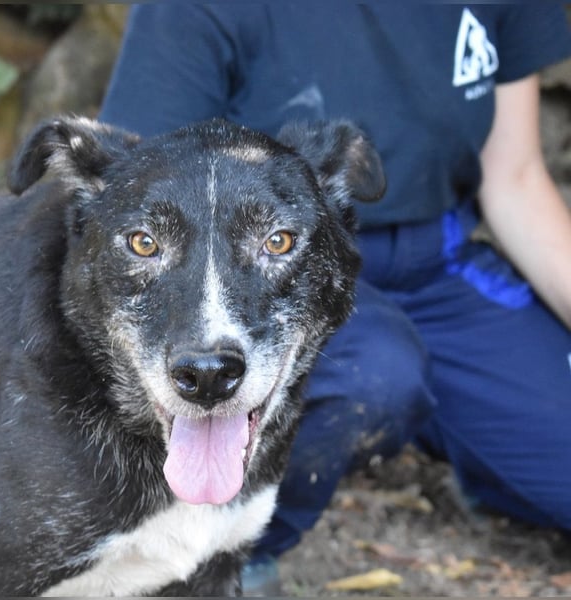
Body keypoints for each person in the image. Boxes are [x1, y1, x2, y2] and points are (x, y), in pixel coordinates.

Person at [98, 4, 571, 593]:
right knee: (377, 374)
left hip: (443, 266)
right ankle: (219, 553)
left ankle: (476, 446)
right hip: (271, 271)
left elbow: (518, 177)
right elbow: (138, 198)